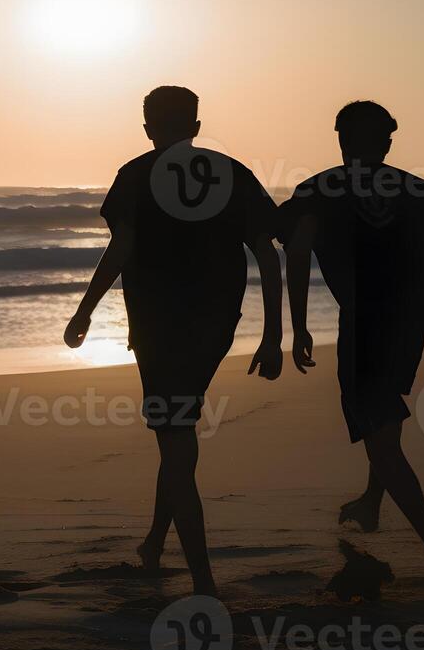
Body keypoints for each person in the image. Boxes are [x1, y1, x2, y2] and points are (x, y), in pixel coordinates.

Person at [64, 86, 283, 598]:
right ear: (197, 126)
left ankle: (203, 580)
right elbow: (267, 255)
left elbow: (122, 248)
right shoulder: (232, 172)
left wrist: (85, 310)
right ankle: (155, 545)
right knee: (176, 431)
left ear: (146, 128)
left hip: (158, 328)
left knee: (175, 437)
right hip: (215, 325)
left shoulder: (135, 174)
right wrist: (273, 334)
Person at [278, 100, 424, 578]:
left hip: (363, 324)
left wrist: (298, 325)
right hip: (406, 325)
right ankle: (370, 501)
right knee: (383, 420)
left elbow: (296, 251)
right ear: (387, 142)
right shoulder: (416, 189)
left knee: (382, 440)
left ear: (340, 138)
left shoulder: (320, 189)